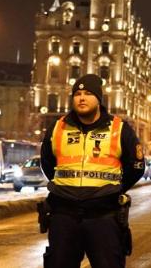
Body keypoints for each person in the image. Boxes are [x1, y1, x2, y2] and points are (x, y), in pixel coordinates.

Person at [40, 74, 145, 268]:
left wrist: (113, 190)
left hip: (103, 216)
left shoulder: (119, 129)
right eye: (77, 94)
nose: (81, 98)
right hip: (64, 214)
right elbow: (47, 163)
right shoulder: (57, 128)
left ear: (99, 99)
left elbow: (136, 167)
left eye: (88, 93)